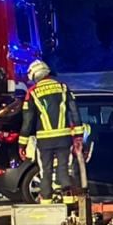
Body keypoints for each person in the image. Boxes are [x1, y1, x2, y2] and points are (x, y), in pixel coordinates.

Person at [19, 60, 84, 202]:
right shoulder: (63, 88)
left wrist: (22, 145)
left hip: (44, 142)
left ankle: (47, 203)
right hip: (64, 139)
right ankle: (68, 204)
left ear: (35, 75)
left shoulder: (32, 93)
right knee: (64, 169)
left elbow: (27, 122)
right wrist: (78, 136)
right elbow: (75, 113)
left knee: (45, 172)